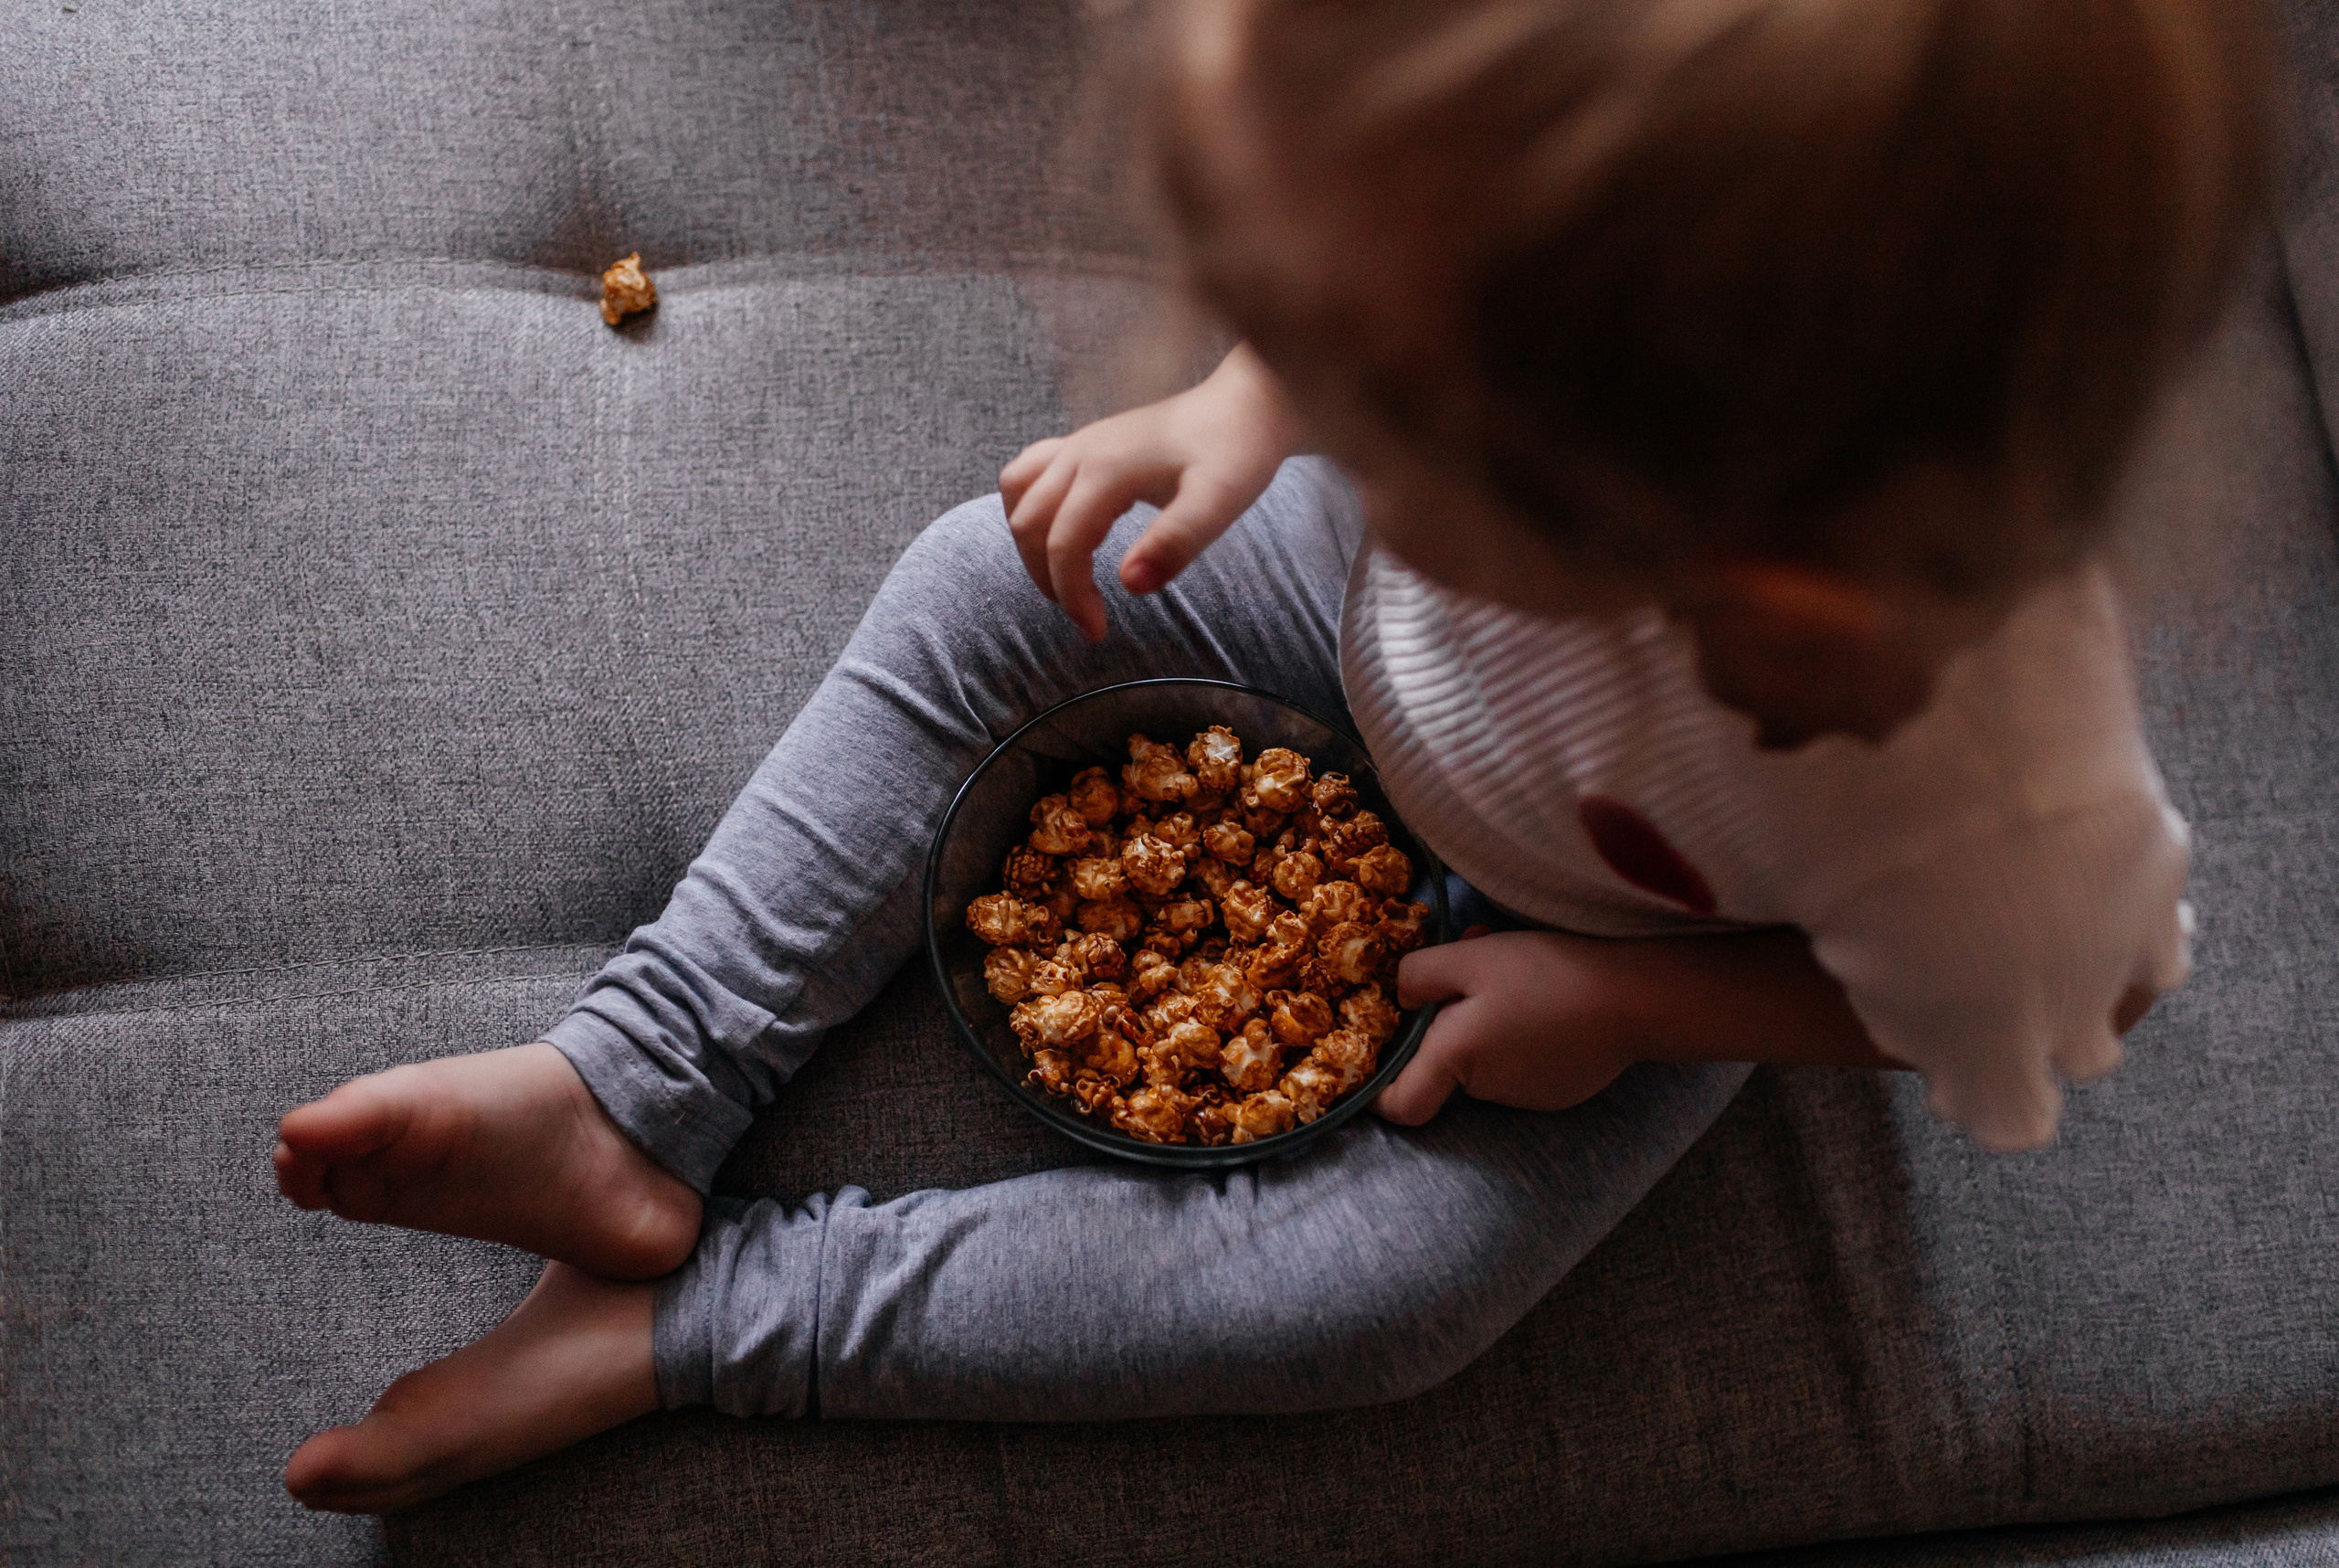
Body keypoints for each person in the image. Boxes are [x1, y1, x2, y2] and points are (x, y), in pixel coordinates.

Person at [269, 0, 2270, 1514]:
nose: (1321, 379)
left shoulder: (1973, 805)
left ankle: (707, 1326)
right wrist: (1251, 406)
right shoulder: (1554, 358)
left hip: (1605, 936)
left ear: (1720, 544)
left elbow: (2066, 996)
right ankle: (643, 1078)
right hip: (1351, 623)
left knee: (1381, 1295)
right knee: (991, 578)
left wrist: (1627, 997)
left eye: (1377, 390)